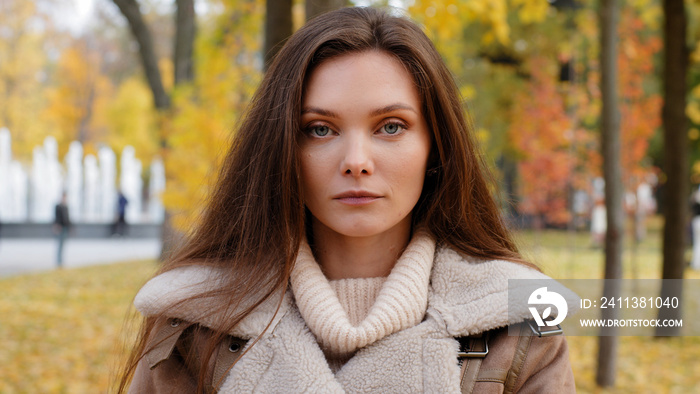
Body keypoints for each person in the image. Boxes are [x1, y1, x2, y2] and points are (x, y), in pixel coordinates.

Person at [119, 7, 575, 393]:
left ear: (435, 148)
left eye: (390, 127)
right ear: (281, 149)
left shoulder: (517, 329)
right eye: (320, 129)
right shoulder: (195, 325)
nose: (356, 162)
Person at [53, 192, 71, 268]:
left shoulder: (66, 206)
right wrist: (56, 226)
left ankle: (61, 261)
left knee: (63, 245)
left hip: (65, 227)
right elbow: (56, 218)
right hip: (60, 228)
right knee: (59, 245)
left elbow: (68, 218)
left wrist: (70, 227)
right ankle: (58, 261)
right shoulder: (58, 206)